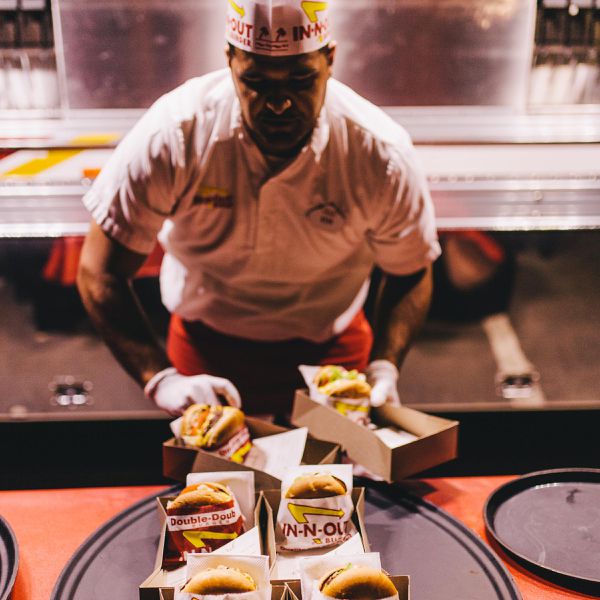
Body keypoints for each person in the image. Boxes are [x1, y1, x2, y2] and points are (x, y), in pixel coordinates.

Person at [76, 0, 441, 418]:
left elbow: (410, 268)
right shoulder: (175, 135)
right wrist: (160, 378)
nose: (279, 105)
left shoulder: (378, 152)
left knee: (341, 464)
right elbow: (100, 271)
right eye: (256, 82)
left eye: (301, 80)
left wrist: (385, 365)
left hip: (333, 352)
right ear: (230, 61)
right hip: (204, 350)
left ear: (330, 60)